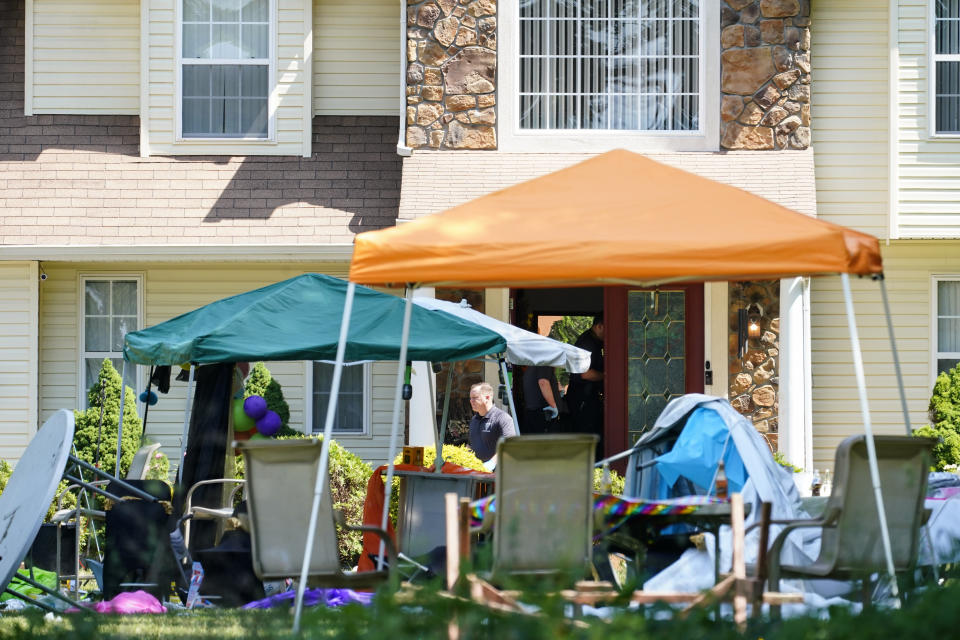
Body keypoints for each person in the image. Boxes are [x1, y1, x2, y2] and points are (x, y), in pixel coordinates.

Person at [566, 314, 604, 456]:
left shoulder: (594, 342)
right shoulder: (587, 343)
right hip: (582, 399)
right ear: (599, 326)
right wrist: (607, 376)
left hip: (586, 398)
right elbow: (585, 373)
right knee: (586, 436)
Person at [467, 382, 516, 470]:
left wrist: (491, 464)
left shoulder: (502, 418)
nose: (471, 401)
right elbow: (470, 446)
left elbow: (509, 446)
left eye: (475, 398)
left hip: (498, 475)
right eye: (470, 398)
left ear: (487, 398)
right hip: (476, 474)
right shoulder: (474, 420)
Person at [522, 364, 561, 434]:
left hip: (533, 413)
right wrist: (554, 406)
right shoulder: (544, 363)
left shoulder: (532, 366)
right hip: (543, 413)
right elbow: (543, 382)